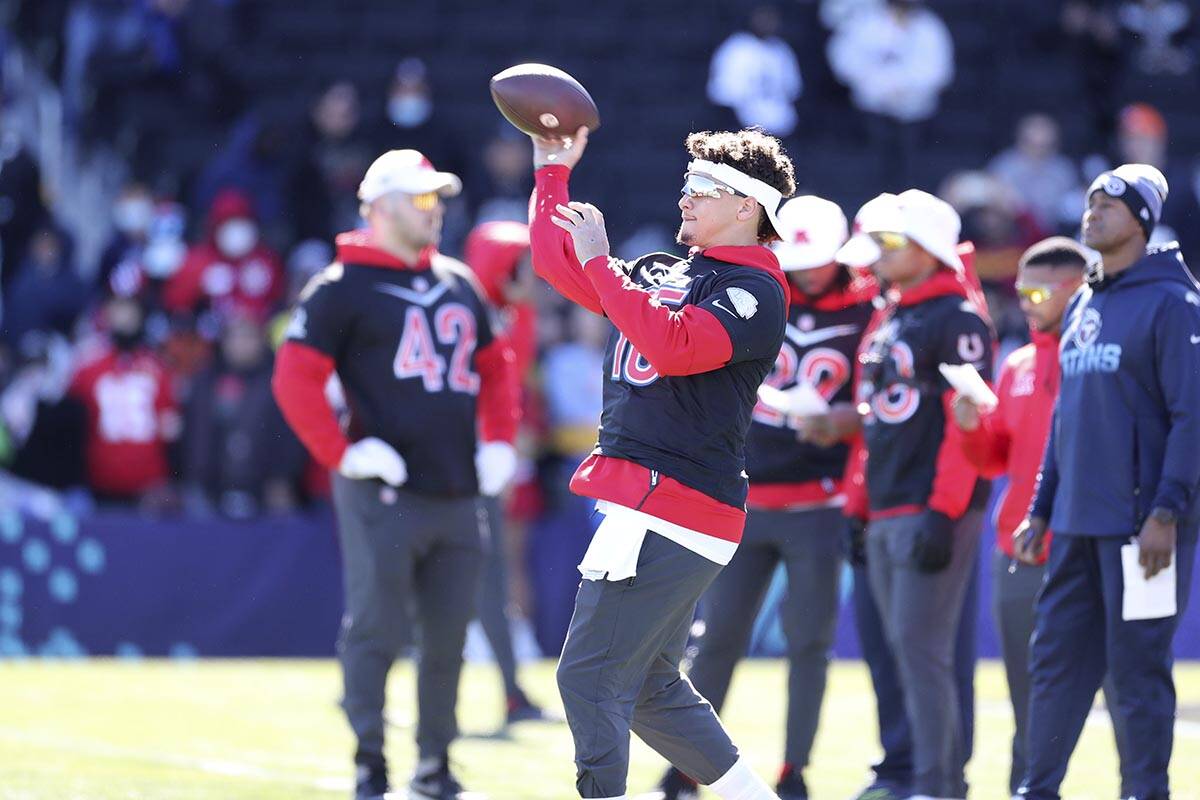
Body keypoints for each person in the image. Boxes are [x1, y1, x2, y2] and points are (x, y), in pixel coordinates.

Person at [528, 123, 796, 800]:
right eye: (686, 184)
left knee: (588, 676)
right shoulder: (671, 270)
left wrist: (598, 262)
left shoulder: (755, 292)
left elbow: (676, 347)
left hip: (674, 498)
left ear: (747, 207)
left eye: (704, 188)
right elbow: (557, 266)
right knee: (648, 688)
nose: (686, 197)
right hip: (655, 496)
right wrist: (551, 174)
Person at [271, 149, 520, 800]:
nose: (433, 211)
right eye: (420, 199)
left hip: (457, 489)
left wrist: (499, 439)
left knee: (447, 641)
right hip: (382, 490)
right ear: (378, 207)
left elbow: (497, 370)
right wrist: (341, 453)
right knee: (376, 628)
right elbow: (294, 378)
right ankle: (370, 763)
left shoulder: (459, 280)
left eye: (437, 199)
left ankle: (435, 765)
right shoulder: (339, 286)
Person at [654, 195, 874, 800]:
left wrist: (843, 421)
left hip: (820, 502)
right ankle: (687, 770)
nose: (802, 271)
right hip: (747, 494)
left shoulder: (867, 308)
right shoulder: (751, 288)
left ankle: (795, 770)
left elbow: (884, 400)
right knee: (717, 637)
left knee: (809, 644)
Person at [1017, 164, 1200, 800]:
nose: (1092, 212)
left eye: (1109, 204)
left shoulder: (1175, 306)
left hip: (1143, 533)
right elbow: (1066, 418)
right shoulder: (1085, 304)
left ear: (1143, 221)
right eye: (1090, 201)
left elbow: (1192, 417)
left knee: (1137, 674)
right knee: (1055, 667)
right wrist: (1041, 507)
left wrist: (1167, 512)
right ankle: (1035, 791)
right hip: (1072, 526)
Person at [951, 237, 1129, 795]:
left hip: (1101, 547)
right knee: (1028, 699)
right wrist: (970, 423)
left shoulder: (1116, 354)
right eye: (1019, 288)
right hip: (1022, 551)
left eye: (1036, 290)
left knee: (1127, 692)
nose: (1024, 301)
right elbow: (996, 459)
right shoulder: (1018, 362)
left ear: (1076, 289)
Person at [845, 190, 994, 800]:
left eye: (889, 243)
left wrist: (944, 509)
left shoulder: (958, 319)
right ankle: (911, 773)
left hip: (929, 506)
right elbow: (873, 422)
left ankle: (939, 783)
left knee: (923, 651)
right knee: (898, 650)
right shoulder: (895, 313)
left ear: (926, 248)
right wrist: (858, 505)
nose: (876, 255)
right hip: (885, 502)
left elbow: (969, 427)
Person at [463, 220, 556, 724]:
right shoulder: (464, 311)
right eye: (524, 266)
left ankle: (511, 692)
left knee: (491, 577)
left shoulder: (514, 316)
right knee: (409, 579)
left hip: (485, 464)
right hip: (445, 466)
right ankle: (362, 685)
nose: (535, 279)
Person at [826, 0, 954, 185]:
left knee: (910, 171)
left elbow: (939, 71)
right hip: (872, 111)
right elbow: (844, 59)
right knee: (871, 169)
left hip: (915, 114)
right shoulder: (866, 23)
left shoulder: (929, 27)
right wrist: (878, 86)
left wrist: (904, 87)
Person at [69, 294, 180, 506]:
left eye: (130, 310)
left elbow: (169, 428)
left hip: (149, 486)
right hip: (100, 483)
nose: (124, 317)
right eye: (118, 309)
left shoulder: (157, 368)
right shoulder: (88, 367)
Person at [164, 188, 284, 323]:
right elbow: (173, 301)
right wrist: (200, 286)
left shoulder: (267, 261)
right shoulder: (198, 261)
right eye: (229, 224)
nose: (236, 231)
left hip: (255, 335)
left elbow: (282, 300)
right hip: (210, 336)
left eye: (242, 222)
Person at [707, 4, 803, 137]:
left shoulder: (781, 50)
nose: (768, 23)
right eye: (763, 18)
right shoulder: (737, 47)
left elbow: (792, 90)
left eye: (771, 19)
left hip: (779, 121)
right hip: (742, 122)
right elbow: (723, 93)